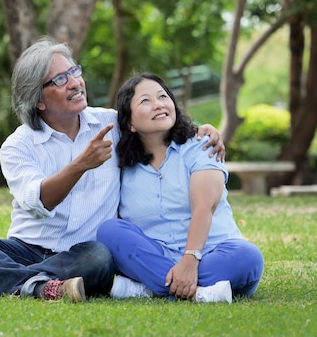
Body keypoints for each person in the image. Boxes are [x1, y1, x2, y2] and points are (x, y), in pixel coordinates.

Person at [0, 37, 225, 302]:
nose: (75, 83)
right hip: (26, 249)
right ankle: (41, 286)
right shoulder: (17, 145)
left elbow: (155, 126)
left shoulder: (112, 124)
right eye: (60, 79)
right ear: (39, 100)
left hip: (84, 253)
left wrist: (199, 130)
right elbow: (41, 200)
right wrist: (81, 164)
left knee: (100, 258)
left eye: (74, 71)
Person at [96, 73, 264, 303]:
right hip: (156, 255)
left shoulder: (201, 145)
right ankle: (201, 293)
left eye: (163, 96)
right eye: (145, 101)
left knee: (247, 256)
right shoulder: (122, 163)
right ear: (129, 123)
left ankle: (153, 288)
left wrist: (190, 260)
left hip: (212, 254)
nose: (159, 104)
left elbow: (204, 207)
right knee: (110, 231)